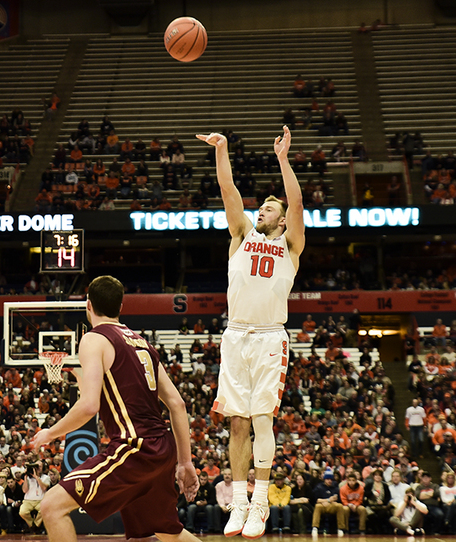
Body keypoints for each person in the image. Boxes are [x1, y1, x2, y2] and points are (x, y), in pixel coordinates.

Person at [32, 275, 203, 542]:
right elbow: (177, 404)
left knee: (51, 507)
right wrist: (185, 462)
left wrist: (50, 432)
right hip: (162, 449)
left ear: (88, 305)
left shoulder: (94, 339)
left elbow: (90, 406)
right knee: (167, 531)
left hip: (134, 448)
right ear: (121, 307)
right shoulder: (142, 343)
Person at [197, 125, 305, 538]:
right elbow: (228, 190)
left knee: (262, 420)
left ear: (280, 221)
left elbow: (295, 202)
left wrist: (282, 159)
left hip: (269, 336)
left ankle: (260, 503)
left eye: (268, 209)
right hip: (235, 334)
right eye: (259, 207)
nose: (261, 211)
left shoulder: (290, 244)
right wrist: (222, 149)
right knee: (236, 423)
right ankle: (238, 504)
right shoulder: (241, 234)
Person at [19, 461, 50, 533]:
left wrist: (36, 477)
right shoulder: (28, 478)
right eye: (36, 466)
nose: (37, 468)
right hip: (28, 500)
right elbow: (24, 490)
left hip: (40, 500)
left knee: (43, 510)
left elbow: (44, 488)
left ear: (43, 468)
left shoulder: (46, 477)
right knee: (22, 512)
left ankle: (36, 525)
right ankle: (32, 525)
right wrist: (26, 477)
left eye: (39, 466)